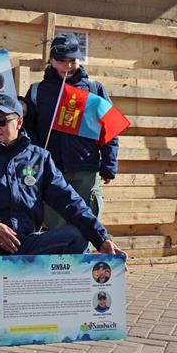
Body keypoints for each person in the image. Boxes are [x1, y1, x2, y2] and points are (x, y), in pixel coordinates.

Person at [0, 94, 125, 260]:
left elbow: (68, 199)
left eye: (2, 121)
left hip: (26, 245)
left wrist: (101, 238)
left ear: (19, 122)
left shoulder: (39, 158)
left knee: (78, 236)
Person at [24, 33, 119, 228]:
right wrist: (36, 161)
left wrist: (109, 164)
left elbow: (109, 128)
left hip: (86, 168)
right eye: (62, 61)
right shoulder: (36, 91)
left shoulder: (94, 89)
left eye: (73, 61)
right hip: (51, 169)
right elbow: (28, 130)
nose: (68, 66)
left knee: (87, 224)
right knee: (54, 224)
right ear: (51, 61)